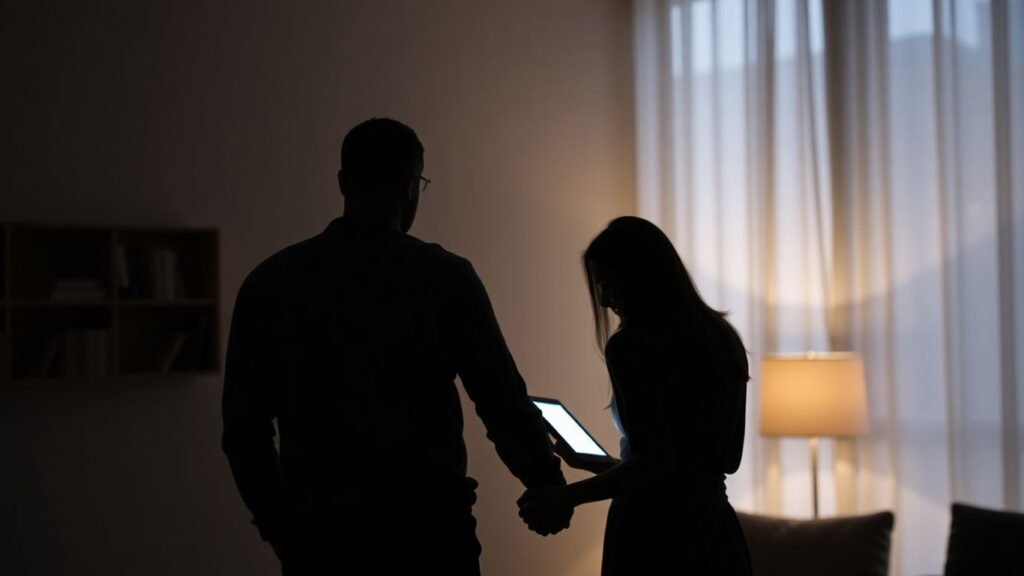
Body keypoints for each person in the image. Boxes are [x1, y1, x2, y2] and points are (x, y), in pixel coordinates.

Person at [222, 117, 570, 575]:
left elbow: (243, 431)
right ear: (411, 186)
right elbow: (501, 401)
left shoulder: (270, 282)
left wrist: (281, 531)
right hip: (430, 534)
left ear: (343, 181)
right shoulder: (445, 277)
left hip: (323, 539)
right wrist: (546, 483)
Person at [518, 216, 751, 575]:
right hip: (715, 535)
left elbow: (657, 468)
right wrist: (600, 466)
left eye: (608, 284)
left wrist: (566, 496)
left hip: (652, 538)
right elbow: (712, 464)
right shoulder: (724, 339)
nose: (603, 299)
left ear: (640, 278)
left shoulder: (631, 346)